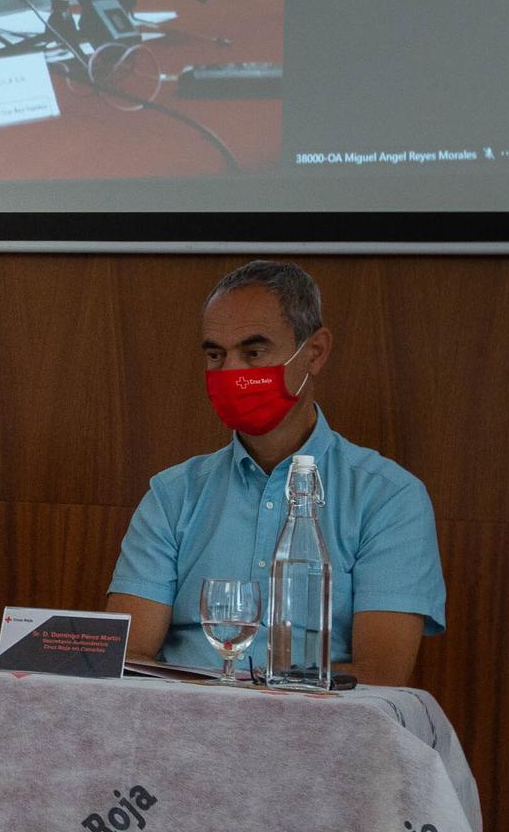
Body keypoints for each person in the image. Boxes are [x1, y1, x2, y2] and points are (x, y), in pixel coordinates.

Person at [104, 261, 444, 686]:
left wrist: (248, 691)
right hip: (180, 726)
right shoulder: (173, 495)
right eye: (215, 354)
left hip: (322, 734)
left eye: (253, 352)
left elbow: (380, 674)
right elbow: (126, 654)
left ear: (315, 352)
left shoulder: (388, 497)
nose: (231, 372)